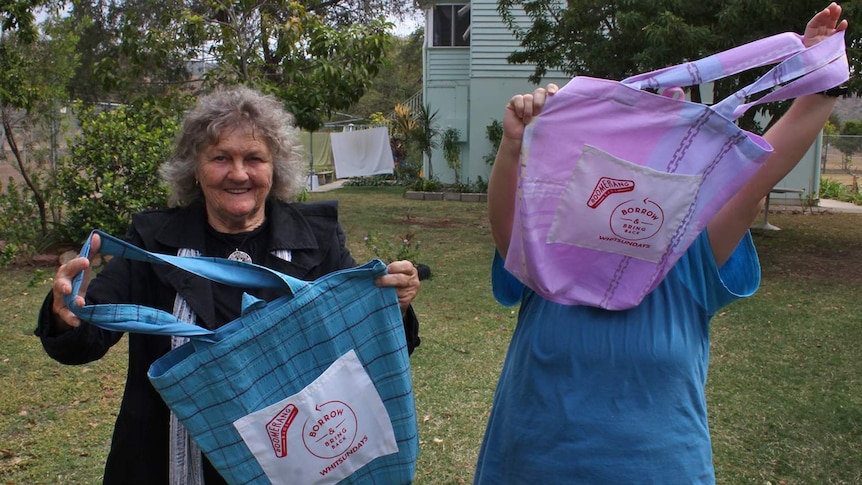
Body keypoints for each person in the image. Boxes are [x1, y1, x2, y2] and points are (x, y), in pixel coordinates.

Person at [475, 4, 846, 484]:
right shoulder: (550, 249)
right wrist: (514, 145)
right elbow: (506, 229)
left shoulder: (694, 253)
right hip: (528, 467)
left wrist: (820, 72)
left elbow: (764, 170)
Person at [35, 86, 421, 485]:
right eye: (221, 158)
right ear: (195, 168)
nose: (239, 173)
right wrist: (67, 315)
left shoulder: (316, 240)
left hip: (297, 460)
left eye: (254, 158)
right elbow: (87, 339)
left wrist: (396, 307)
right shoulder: (154, 243)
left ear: (275, 168)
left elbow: (364, 347)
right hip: (173, 462)